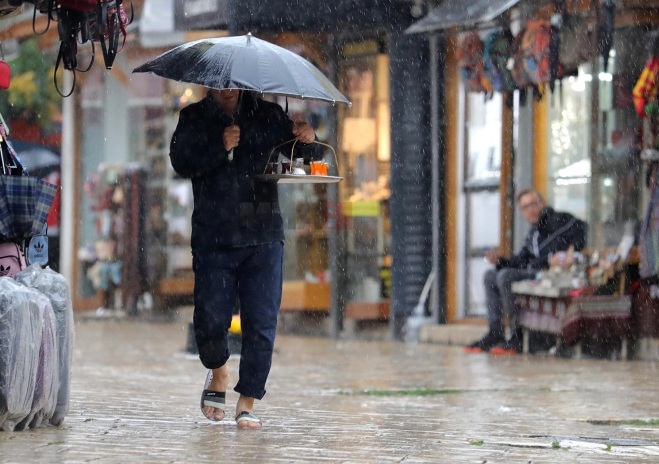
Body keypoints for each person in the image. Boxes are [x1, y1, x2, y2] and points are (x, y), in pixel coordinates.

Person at [169, 88, 318, 429]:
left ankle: (248, 400)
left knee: (262, 323)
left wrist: (306, 138)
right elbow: (180, 163)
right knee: (209, 320)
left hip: (263, 233)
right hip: (213, 236)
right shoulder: (194, 117)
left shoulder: (269, 114)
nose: (228, 86)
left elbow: (299, 160)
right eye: (221, 80)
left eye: (234, 81)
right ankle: (219, 371)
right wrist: (219, 147)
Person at [465, 189, 587, 355]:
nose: (530, 210)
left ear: (542, 203)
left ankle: (517, 334)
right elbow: (520, 261)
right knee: (490, 276)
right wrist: (500, 261)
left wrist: (569, 251)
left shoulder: (561, 220)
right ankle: (495, 332)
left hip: (550, 274)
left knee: (505, 276)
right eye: (525, 207)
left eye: (533, 204)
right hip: (533, 272)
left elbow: (582, 229)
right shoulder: (533, 234)